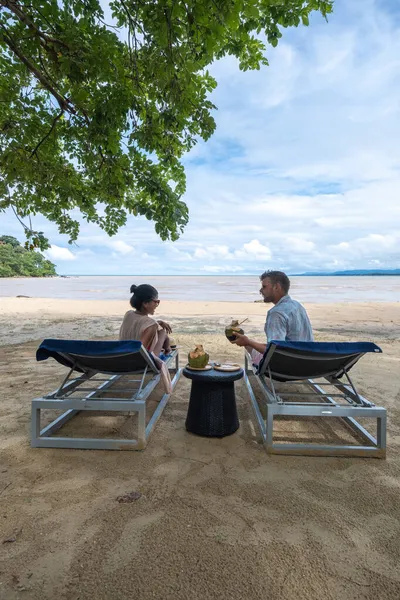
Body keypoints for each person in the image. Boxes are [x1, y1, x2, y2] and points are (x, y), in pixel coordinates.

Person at [232, 270, 313, 364]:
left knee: (248, 346)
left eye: (264, 287)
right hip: (307, 362)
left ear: (277, 287)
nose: (260, 291)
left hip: (287, 367)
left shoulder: (276, 313)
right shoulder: (298, 306)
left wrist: (248, 342)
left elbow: (275, 352)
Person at [119, 284, 172, 357]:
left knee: (161, 332)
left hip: (120, 356)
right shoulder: (151, 325)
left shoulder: (128, 314)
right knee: (162, 333)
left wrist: (158, 323)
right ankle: (168, 349)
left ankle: (167, 348)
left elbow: (138, 324)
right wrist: (163, 335)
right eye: (156, 301)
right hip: (137, 364)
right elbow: (142, 355)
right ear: (145, 303)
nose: (157, 305)